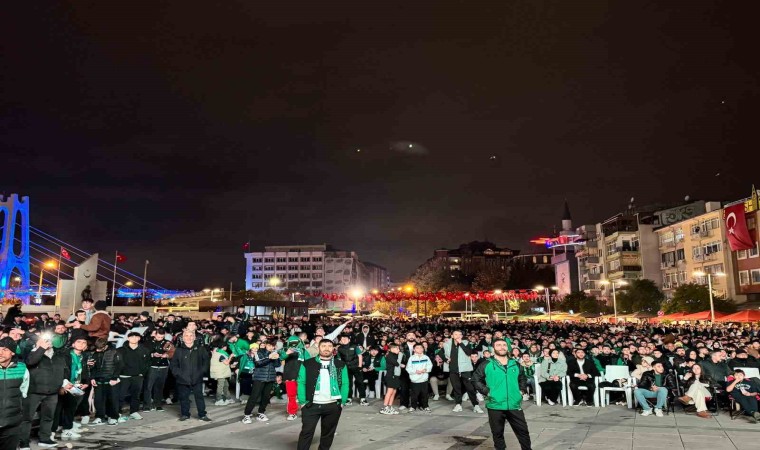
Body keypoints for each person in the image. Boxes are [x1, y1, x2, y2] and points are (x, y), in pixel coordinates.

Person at [473, 338, 532, 450]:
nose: (502, 347)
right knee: (497, 433)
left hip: (514, 403)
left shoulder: (515, 364)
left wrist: (521, 391)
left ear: (508, 348)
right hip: (495, 404)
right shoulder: (486, 364)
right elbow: (475, 379)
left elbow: (522, 378)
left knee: (523, 431)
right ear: (493, 348)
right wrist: (487, 391)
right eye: (498, 345)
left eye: (504, 345)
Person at [296, 339, 349, 450]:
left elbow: (345, 384)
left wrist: (342, 402)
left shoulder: (340, 364)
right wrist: (302, 402)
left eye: (329, 346)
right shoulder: (307, 363)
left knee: (327, 435)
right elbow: (301, 382)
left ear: (333, 348)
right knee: (306, 433)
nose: (326, 348)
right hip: (311, 405)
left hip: (332, 405)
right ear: (318, 348)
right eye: (323, 345)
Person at [20, 333, 67, 449]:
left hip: (52, 393)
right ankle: (23, 442)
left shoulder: (58, 355)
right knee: (27, 418)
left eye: (49, 340)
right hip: (34, 392)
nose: (47, 342)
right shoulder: (31, 353)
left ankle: (44, 439)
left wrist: (63, 383)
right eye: (44, 340)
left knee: (48, 417)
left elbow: (64, 370)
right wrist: (41, 348)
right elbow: (31, 362)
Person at [170, 330, 211, 422]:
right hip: (182, 379)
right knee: (183, 397)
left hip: (197, 378)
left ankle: (202, 414)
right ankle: (185, 414)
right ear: (183, 338)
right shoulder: (179, 350)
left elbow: (206, 362)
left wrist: (201, 372)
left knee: (199, 397)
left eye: (191, 335)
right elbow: (173, 364)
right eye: (186, 336)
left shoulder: (200, 349)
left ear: (194, 337)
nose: (188, 338)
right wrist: (178, 374)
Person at [0, 337, 29, 450]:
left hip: (12, 424)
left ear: (12, 352)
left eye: (5, 349)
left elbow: (24, 392)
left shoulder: (22, 369)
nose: (0, 352)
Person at [445, 330, 483, 414]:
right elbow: (441, 353)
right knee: (456, 387)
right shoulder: (447, 343)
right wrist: (446, 359)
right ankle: (458, 404)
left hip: (465, 368)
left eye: (459, 334)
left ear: (462, 336)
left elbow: (469, 353)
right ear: (452, 336)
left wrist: (460, 343)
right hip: (453, 368)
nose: (457, 336)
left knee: (470, 387)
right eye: (455, 334)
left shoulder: (466, 343)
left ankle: (476, 405)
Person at [242, 340, 280, 423]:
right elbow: (258, 363)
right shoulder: (259, 353)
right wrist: (269, 358)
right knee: (254, 396)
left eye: (273, 346)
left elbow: (277, 365)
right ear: (265, 345)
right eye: (269, 345)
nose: (271, 347)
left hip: (270, 378)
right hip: (259, 378)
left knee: (266, 397)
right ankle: (247, 415)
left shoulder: (274, 353)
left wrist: (277, 358)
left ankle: (261, 413)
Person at [116, 331, 150, 421]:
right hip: (123, 376)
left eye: (136, 337)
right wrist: (118, 374)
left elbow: (147, 363)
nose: (134, 339)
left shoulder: (144, 350)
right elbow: (117, 363)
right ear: (128, 338)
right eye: (132, 337)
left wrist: (142, 372)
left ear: (139, 338)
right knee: (120, 395)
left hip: (137, 376)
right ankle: (117, 412)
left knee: (136, 395)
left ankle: (134, 411)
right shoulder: (120, 350)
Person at [89, 338, 121, 426]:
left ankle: (114, 417)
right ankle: (99, 417)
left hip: (111, 380)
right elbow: (93, 367)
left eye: (100, 348)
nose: (98, 350)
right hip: (99, 379)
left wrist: (114, 378)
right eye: (97, 348)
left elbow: (119, 366)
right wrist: (92, 378)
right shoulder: (95, 353)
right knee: (98, 400)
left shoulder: (114, 352)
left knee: (113, 399)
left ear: (106, 346)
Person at [280, 335, 311, 421]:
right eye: (291, 342)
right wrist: (287, 353)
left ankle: (306, 411)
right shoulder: (285, 350)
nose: (294, 344)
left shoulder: (303, 351)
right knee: (291, 395)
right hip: (290, 375)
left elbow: (309, 362)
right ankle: (292, 412)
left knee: (303, 394)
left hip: (302, 376)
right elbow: (281, 358)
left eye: (296, 342)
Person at [143, 328, 174, 412]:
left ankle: (158, 404)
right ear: (155, 334)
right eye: (158, 337)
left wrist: (166, 355)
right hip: (152, 366)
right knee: (148, 386)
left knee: (160, 386)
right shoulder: (148, 342)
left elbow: (172, 352)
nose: (160, 338)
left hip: (163, 366)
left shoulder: (167, 343)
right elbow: (144, 352)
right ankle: (147, 405)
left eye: (162, 337)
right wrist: (152, 354)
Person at [336, 334, 366, 406]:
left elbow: (360, 356)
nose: (344, 340)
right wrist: (341, 368)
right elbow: (339, 359)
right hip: (346, 368)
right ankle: (349, 398)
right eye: (342, 339)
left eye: (345, 339)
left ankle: (363, 398)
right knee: (348, 383)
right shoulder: (339, 348)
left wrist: (360, 366)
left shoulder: (355, 346)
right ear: (340, 341)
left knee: (360, 382)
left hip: (356, 367)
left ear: (349, 340)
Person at [406, 343, 433, 413]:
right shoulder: (411, 358)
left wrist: (425, 370)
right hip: (415, 380)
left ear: (423, 349)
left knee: (424, 394)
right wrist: (415, 371)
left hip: (424, 379)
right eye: (417, 348)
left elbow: (430, 365)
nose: (419, 349)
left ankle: (425, 406)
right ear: (414, 350)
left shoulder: (426, 357)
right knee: (414, 394)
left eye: (421, 348)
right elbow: (408, 368)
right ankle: (413, 406)